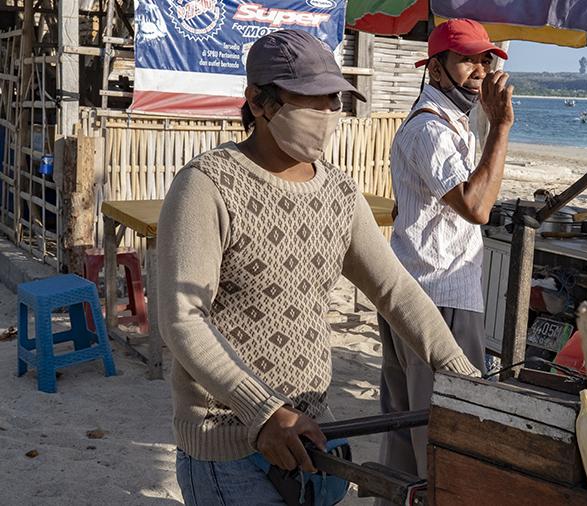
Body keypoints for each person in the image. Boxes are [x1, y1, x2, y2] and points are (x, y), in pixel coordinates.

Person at [156, 29, 480, 505]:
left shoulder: (340, 194)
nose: (326, 114)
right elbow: (183, 319)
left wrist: (462, 374)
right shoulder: (206, 186)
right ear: (259, 102)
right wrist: (263, 411)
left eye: (333, 100)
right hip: (229, 443)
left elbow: (396, 291)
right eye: (310, 99)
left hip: (315, 431)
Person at [377, 18, 513, 481]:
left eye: (484, 59)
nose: (478, 69)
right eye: (466, 59)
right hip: (441, 297)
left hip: (415, 290)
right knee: (445, 428)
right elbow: (476, 206)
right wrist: (502, 127)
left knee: (404, 424)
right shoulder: (430, 131)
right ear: (435, 70)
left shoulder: (447, 123)